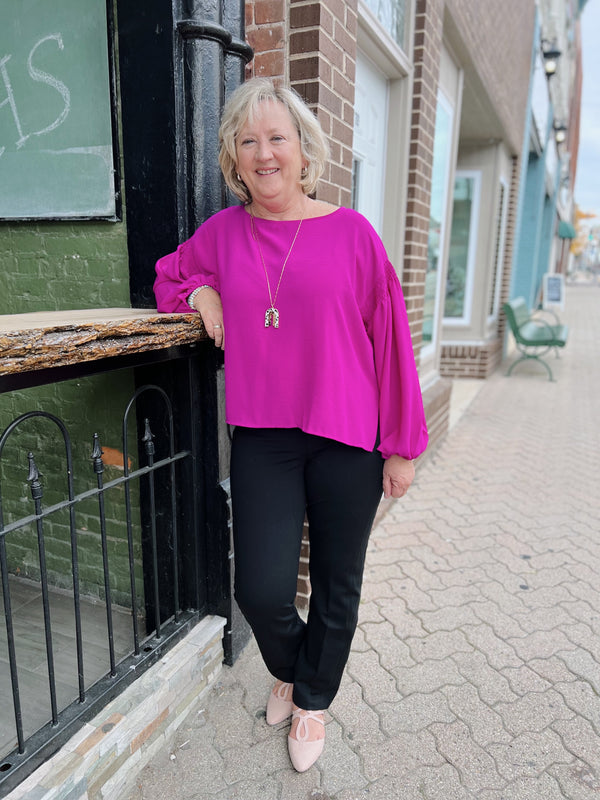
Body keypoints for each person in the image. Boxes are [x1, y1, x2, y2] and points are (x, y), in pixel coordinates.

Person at [154, 77, 428, 772]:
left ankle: (310, 698)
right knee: (262, 588)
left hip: (348, 435)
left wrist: (402, 447)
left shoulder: (352, 235)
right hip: (265, 438)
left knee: (338, 580)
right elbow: (167, 276)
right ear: (234, 159)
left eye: (278, 139)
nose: (264, 153)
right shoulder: (224, 234)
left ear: (304, 151)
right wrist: (201, 289)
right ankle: (296, 666)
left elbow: (390, 342)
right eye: (249, 142)